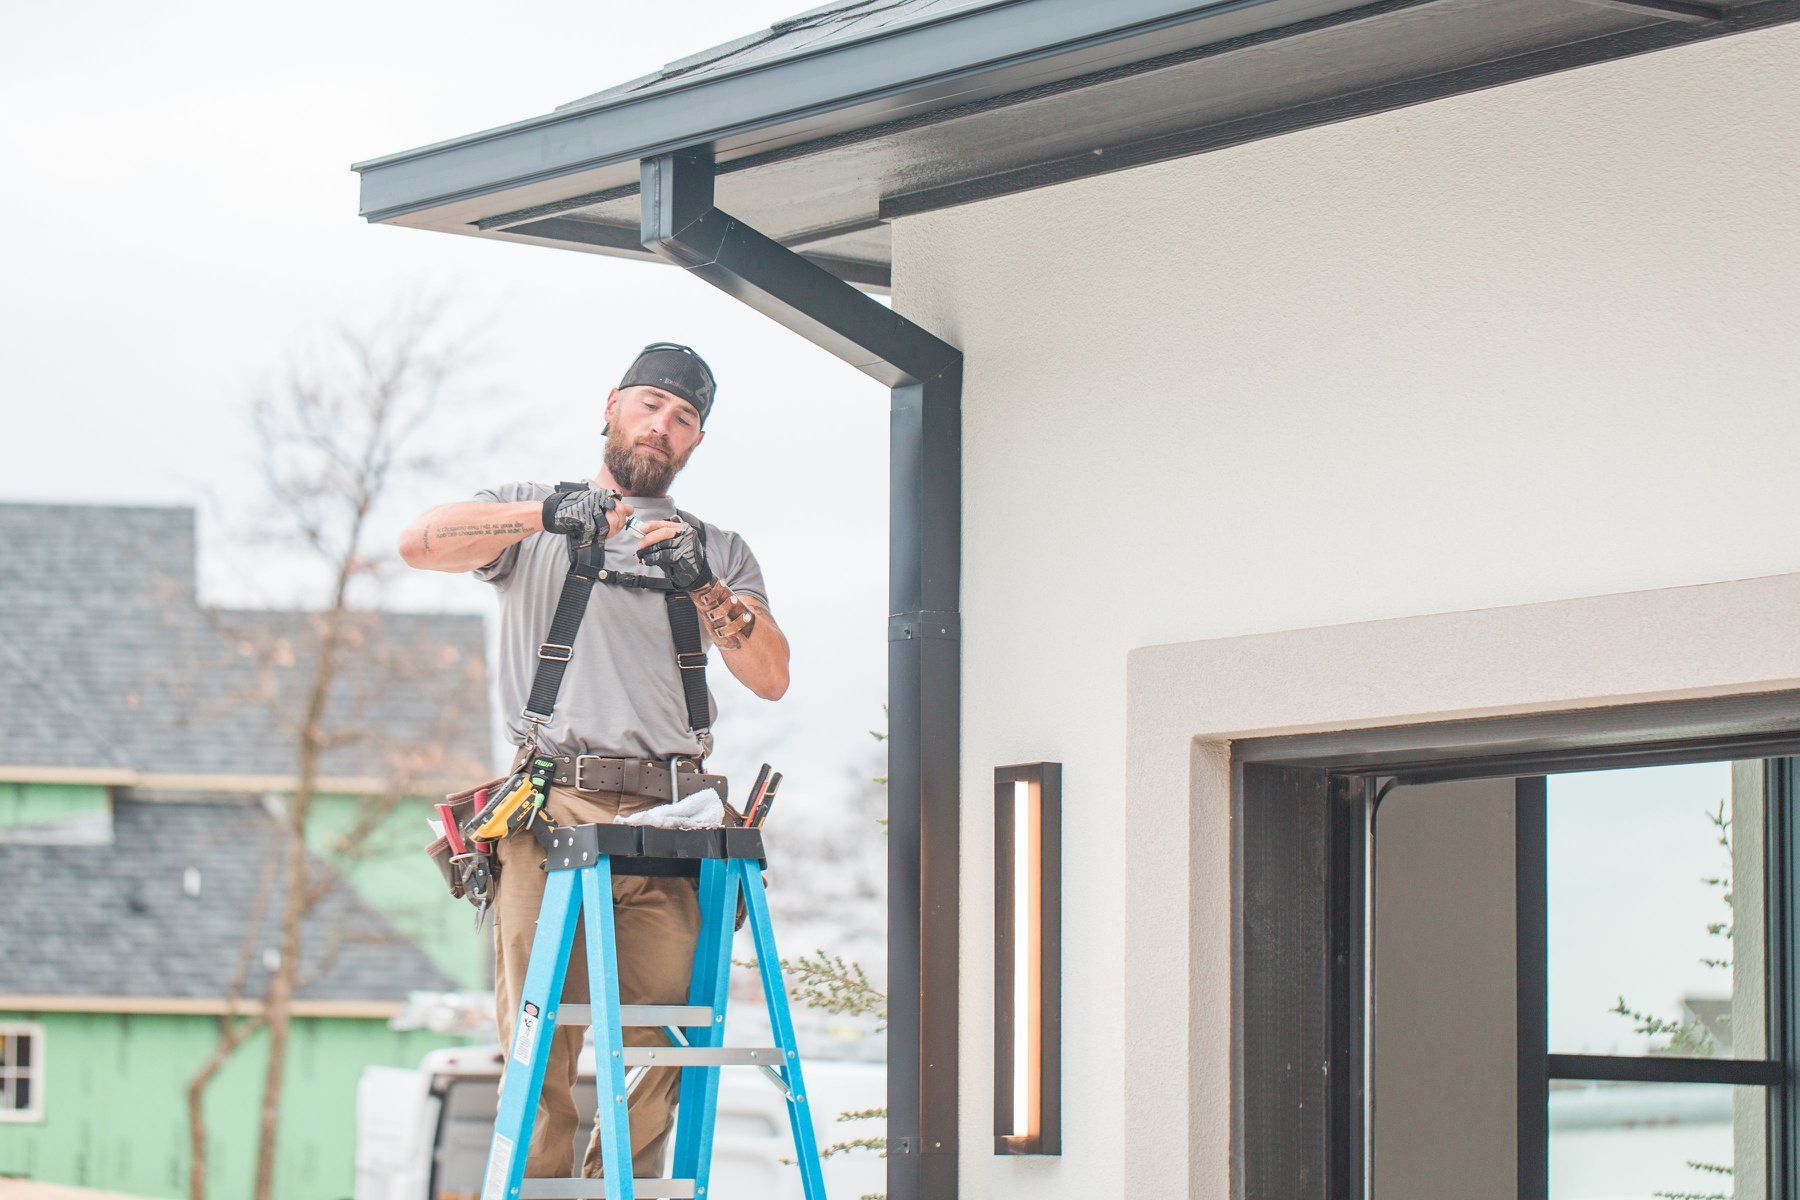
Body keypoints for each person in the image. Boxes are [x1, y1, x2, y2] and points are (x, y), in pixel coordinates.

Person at [398, 342, 789, 1182]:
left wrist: (703, 589)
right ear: (610, 406)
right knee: (540, 1045)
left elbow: (771, 675)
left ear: (694, 445)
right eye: (650, 403)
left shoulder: (717, 550)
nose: (663, 424)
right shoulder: (526, 517)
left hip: (672, 820)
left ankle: (627, 1189)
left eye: (683, 417)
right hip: (554, 809)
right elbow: (421, 542)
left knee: (672, 1045)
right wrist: (546, 516)